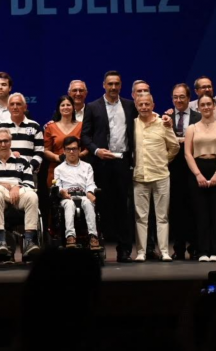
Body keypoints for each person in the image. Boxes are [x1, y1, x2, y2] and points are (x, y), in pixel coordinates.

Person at [81, 71, 137, 263]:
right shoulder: (92, 106)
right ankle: (98, 248)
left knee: (123, 207)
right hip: (101, 163)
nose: (113, 87)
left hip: (123, 162)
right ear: (104, 85)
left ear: (121, 85)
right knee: (102, 206)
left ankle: (125, 250)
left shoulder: (130, 105)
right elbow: (85, 136)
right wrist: (96, 151)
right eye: (110, 84)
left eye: (117, 84)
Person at [0, 128, 41, 261]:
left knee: (32, 196)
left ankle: (28, 241)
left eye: (6, 141)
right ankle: (1, 241)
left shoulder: (22, 160)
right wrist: (0, 184)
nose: (3, 144)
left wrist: (16, 187)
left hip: (18, 197)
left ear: (11, 142)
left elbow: (30, 184)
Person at [131, 92, 179, 262]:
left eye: (147, 104)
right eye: (141, 104)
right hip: (139, 176)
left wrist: (164, 160)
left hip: (161, 175)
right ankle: (141, 252)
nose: (144, 107)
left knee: (162, 216)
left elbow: (174, 146)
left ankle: (164, 251)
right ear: (136, 106)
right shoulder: (133, 124)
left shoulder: (163, 123)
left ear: (153, 105)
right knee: (141, 217)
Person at [183, 94, 216, 262]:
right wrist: (198, 174)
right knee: (200, 213)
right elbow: (188, 154)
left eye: (209, 104)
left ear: (214, 106)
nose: (206, 107)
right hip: (198, 168)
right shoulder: (192, 128)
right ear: (198, 107)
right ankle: (202, 250)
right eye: (202, 105)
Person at [169, 84, 201, 260]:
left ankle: (195, 247)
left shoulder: (198, 117)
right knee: (176, 209)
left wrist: (184, 140)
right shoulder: (166, 118)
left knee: (194, 208)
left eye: (182, 97)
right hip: (174, 168)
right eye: (175, 97)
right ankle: (178, 248)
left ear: (189, 98)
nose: (178, 100)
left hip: (194, 167)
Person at [54, 136, 100, 249]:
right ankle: (70, 236)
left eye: (74, 149)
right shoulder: (58, 169)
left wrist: (90, 192)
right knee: (69, 204)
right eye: (68, 149)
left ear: (79, 150)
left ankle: (93, 235)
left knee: (88, 203)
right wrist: (62, 192)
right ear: (64, 151)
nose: (71, 152)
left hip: (83, 195)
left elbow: (91, 183)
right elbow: (57, 186)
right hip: (67, 197)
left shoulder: (87, 167)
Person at [43, 95, 85, 186]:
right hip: (56, 168)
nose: (65, 107)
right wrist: (58, 158)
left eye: (68, 105)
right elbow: (46, 150)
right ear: (58, 108)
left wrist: (75, 156)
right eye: (62, 105)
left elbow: (87, 149)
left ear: (73, 107)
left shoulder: (82, 126)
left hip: (79, 169)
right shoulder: (50, 127)